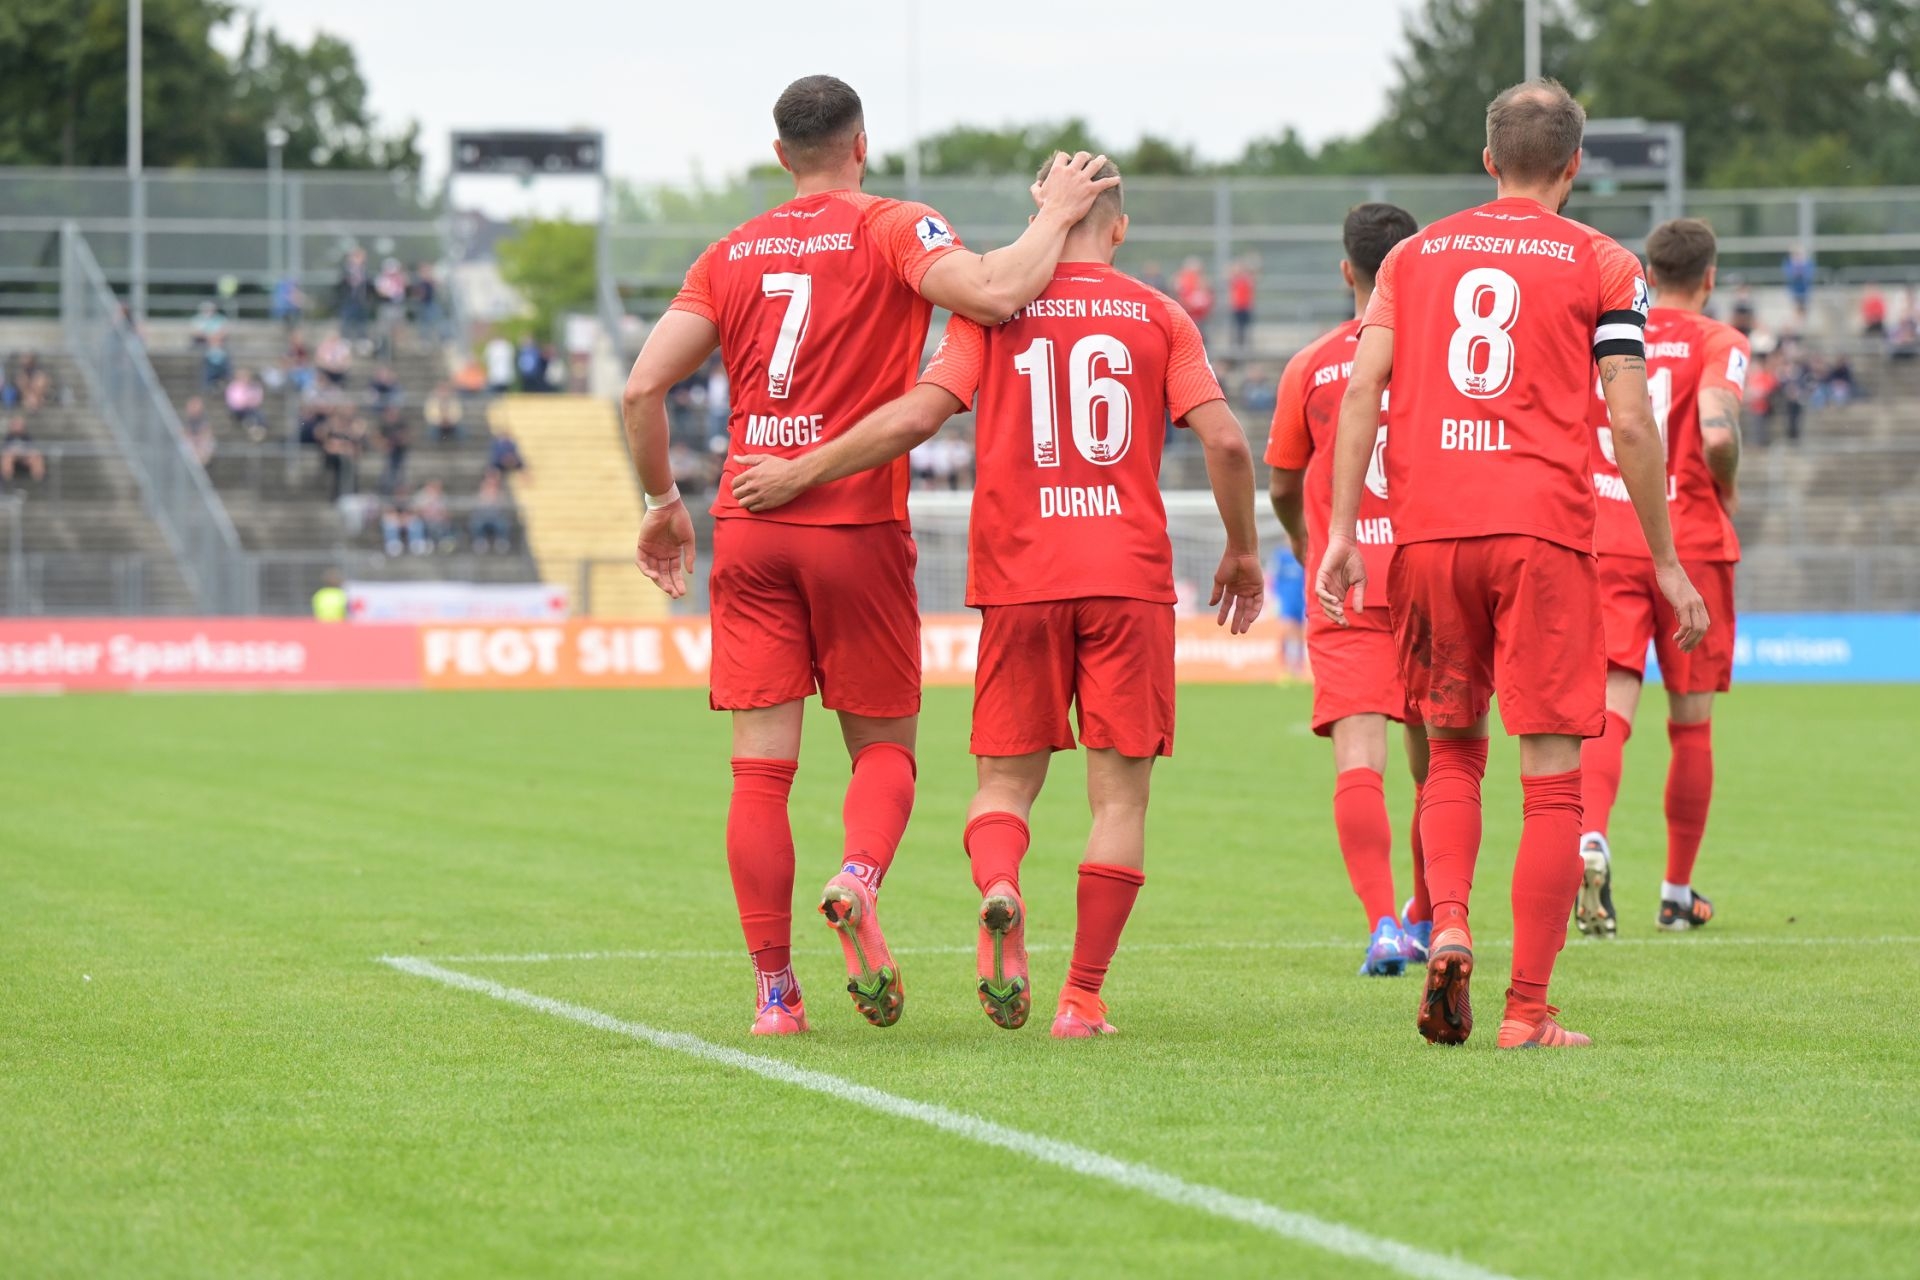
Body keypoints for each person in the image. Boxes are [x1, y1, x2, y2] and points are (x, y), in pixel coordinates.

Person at [619, 73, 1120, 1037]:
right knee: (884, 749)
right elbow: (996, 291)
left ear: (781, 156)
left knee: (760, 773)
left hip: (751, 518)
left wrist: (660, 505)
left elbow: (642, 389)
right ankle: (856, 876)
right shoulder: (895, 225)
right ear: (861, 144)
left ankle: (775, 996)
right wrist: (1058, 213)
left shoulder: (728, 252)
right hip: (853, 524)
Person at [730, 155, 1263, 1039]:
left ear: (1045, 212)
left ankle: (1002, 886)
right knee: (1119, 802)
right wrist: (1241, 550)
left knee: (1004, 789)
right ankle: (1081, 999)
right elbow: (1229, 443)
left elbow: (916, 416)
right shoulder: (1161, 315)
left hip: (1020, 579)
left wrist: (802, 470)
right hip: (1128, 579)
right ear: (1121, 227)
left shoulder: (993, 314)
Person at [1315, 79, 1708, 1051]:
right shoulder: (1606, 262)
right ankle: (1527, 1010)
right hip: (1542, 535)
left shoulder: (1411, 257)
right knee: (1553, 778)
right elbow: (1629, 418)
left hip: (1427, 536)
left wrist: (1340, 532)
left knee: (1452, 751)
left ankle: (1447, 920)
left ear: (1488, 160)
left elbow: (1363, 391)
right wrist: (1665, 560)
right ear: (1575, 165)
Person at [1268, 202, 1431, 975]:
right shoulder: (1443, 360)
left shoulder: (1311, 366)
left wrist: (1309, 546)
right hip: (1434, 575)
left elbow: (1280, 483)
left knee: (1360, 758)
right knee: (1440, 761)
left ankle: (1383, 925)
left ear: (1347, 271)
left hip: (1350, 579)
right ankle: (1432, 913)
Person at [1579, 218, 1749, 938]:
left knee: (1610, 700)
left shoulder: (1612, 332)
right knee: (1691, 720)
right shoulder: (1719, 340)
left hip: (1610, 538)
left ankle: (1591, 836)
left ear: (1647, 274)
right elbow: (1717, 432)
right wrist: (1726, 483)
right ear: (1709, 278)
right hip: (1693, 543)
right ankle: (1676, 893)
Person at [469, 470, 512, 552]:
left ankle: (501, 541)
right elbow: (477, 508)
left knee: (502, 523)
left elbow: (503, 508)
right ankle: (480, 541)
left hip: (496, 519)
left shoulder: (500, 494)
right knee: (476, 523)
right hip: (483, 519)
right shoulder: (480, 494)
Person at [1, 415, 45, 486]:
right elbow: (5, 449)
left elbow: (33, 448)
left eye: (20, 425)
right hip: (13, 459)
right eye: (16, 425)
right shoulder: (8, 437)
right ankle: (7, 482)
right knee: (7, 457)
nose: (18, 427)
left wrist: (24, 453)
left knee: (36, 456)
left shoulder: (27, 437)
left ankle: (38, 482)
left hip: (25, 459)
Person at [225, 368, 266, 442]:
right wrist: (246, 401)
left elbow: (258, 399)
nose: (245, 379)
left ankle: (256, 427)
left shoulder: (254, 386)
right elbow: (233, 402)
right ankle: (254, 428)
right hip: (237, 411)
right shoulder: (233, 387)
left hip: (250, 409)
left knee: (257, 413)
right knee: (251, 414)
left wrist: (248, 401)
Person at [1228, 258, 1257, 348]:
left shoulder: (1247, 279)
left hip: (1245, 307)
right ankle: (1237, 346)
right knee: (1237, 328)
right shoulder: (1235, 279)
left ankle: (1244, 346)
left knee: (1244, 328)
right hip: (1237, 307)